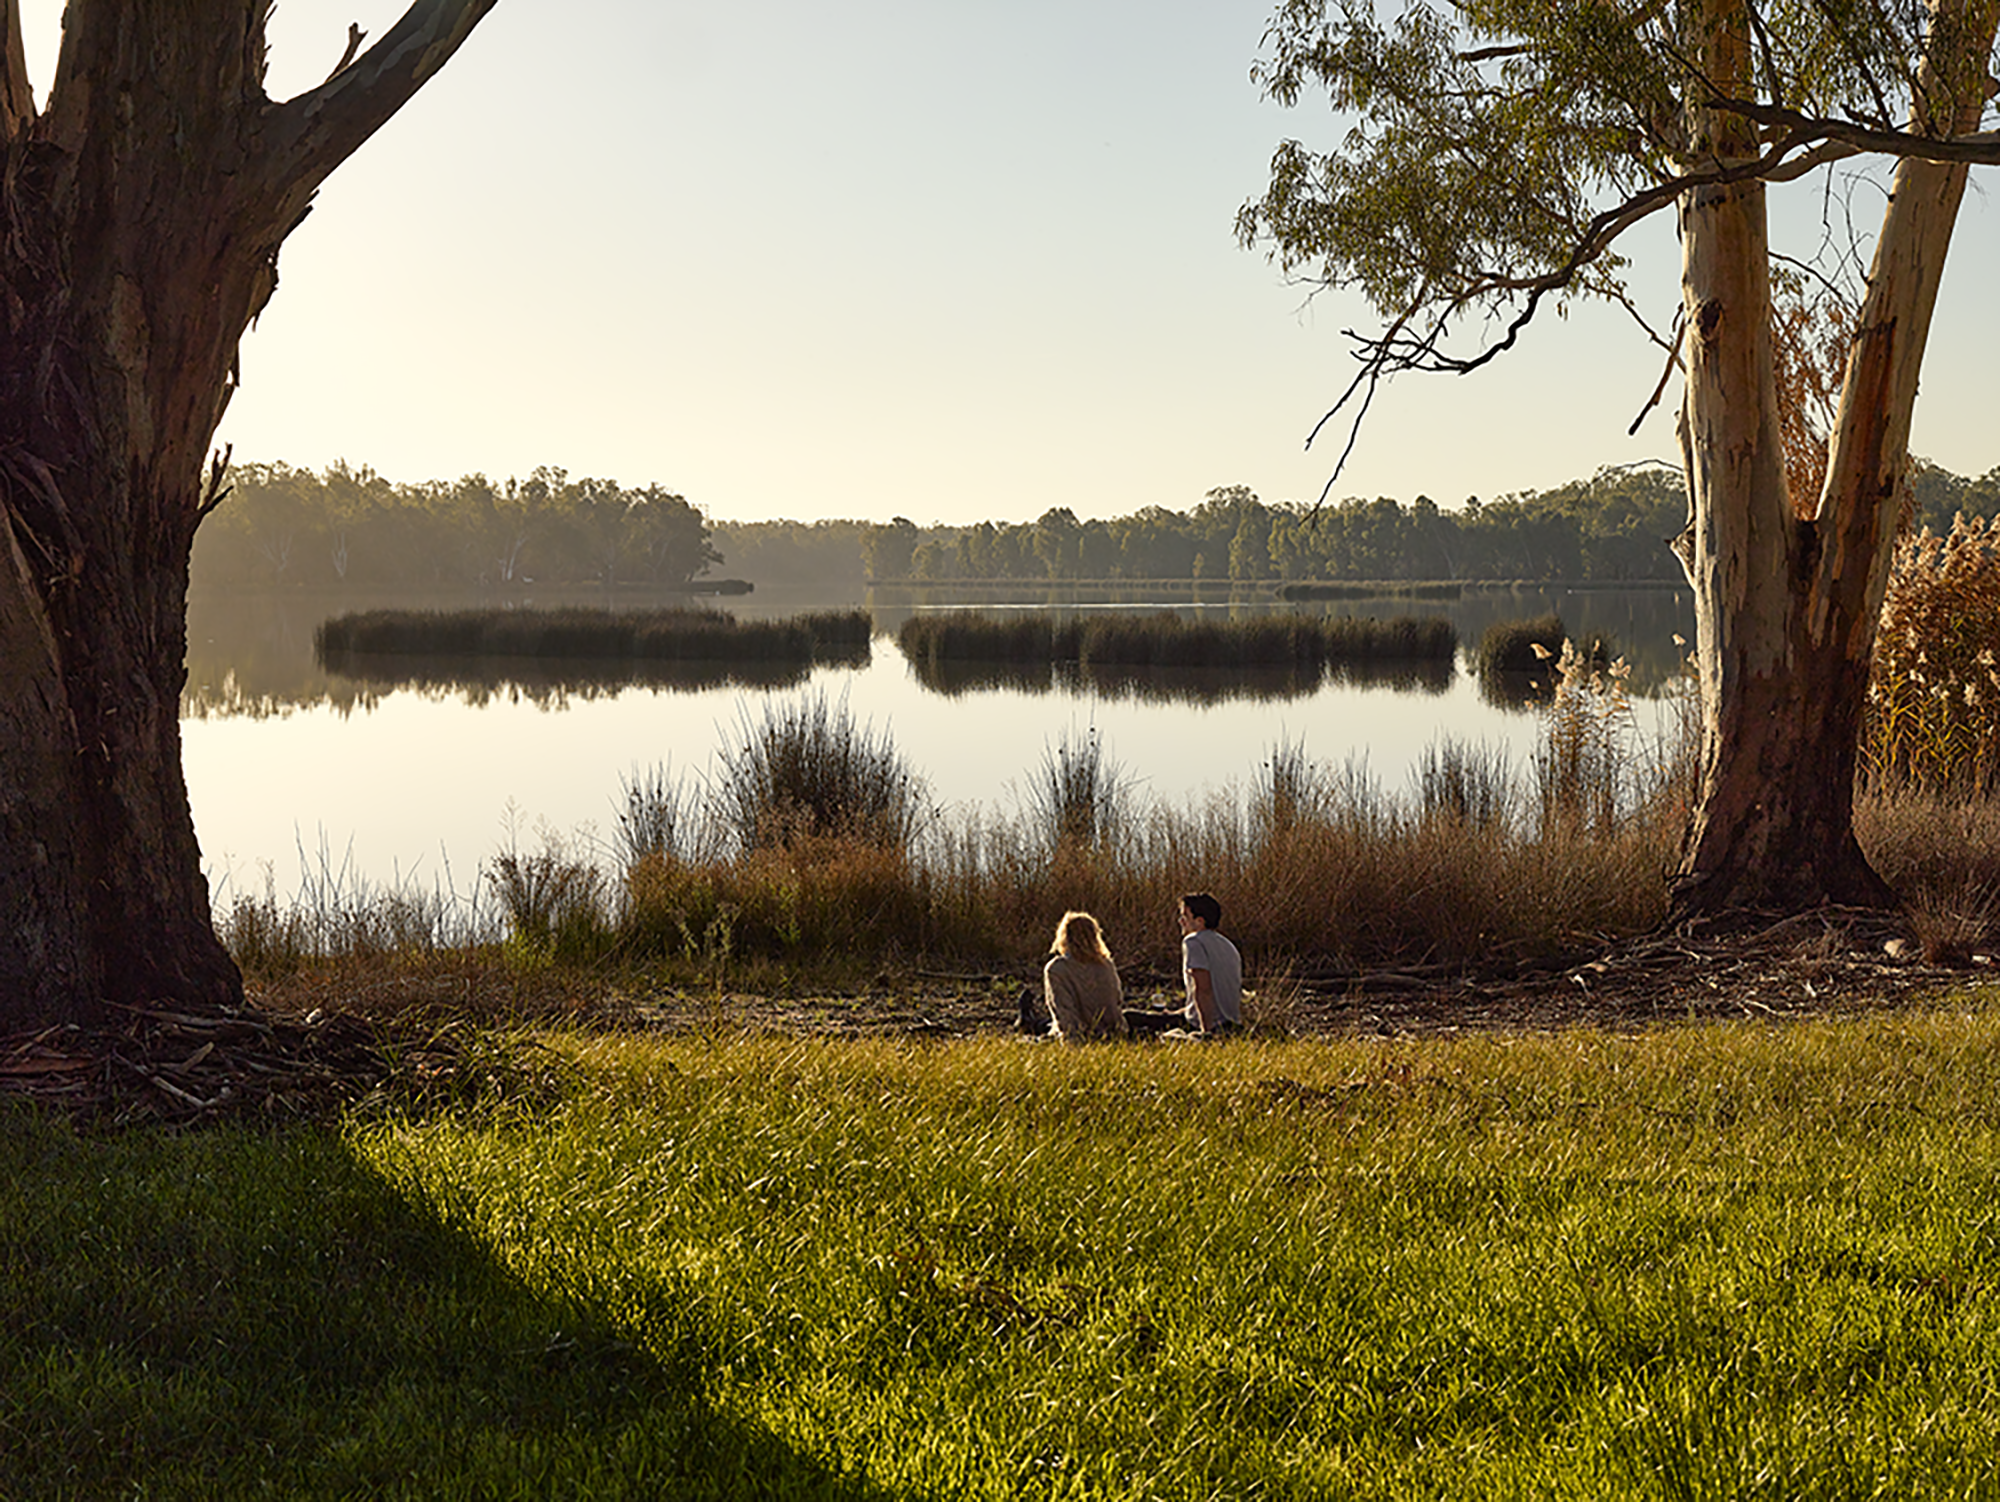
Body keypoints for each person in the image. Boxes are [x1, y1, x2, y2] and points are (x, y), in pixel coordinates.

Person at [1126, 892, 1243, 1038]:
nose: (1180, 921)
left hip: (1207, 1025)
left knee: (1127, 1018)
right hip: (1232, 1023)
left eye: (1185, 917)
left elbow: (1203, 988)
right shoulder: (1228, 945)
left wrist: (1206, 1032)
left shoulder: (1194, 941)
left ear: (1200, 921)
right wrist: (1179, 1012)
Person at [1033, 910, 1129, 1043]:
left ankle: (1028, 1019)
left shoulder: (1056, 969)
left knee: (1042, 1028)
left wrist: (1073, 1040)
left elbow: (1063, 1012)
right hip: (1113, 1034)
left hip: (1079, 1037)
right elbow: (1116, 1001)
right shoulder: (1106, 965)